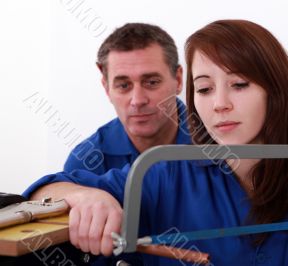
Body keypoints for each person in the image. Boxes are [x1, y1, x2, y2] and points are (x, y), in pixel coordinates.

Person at [24, 19, 288, 265]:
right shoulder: (164, 172)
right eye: (204, 89)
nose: (219, 103)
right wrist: (85, 195)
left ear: (276, 88)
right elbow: (45, 194)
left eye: (239, 84)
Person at [24, 22, 190, 264]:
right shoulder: (86, 159)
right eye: (123, 85)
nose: (137, 100)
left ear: (178, 79)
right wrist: (81, 195)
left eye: (151, 82)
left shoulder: (220, 144)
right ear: (105, 86)